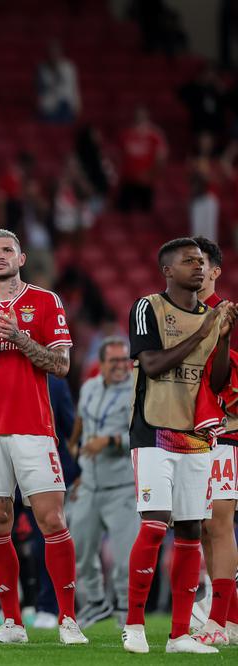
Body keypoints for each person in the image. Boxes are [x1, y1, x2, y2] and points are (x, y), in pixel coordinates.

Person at [0, 229, 86, 645]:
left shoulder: (45, 301)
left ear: (22, 257)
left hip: (34, 428)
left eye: (8, 249)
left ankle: (66, 619)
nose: (1, 256)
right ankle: (11, 623)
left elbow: (61, 364)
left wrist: (22, 339)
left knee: (50, 519)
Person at [122, 237, 236, 655]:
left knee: (190, 530)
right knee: (155, 524)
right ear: (168, 270)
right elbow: (150, 364)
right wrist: (206, 330)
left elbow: (219, 382)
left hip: (196, 435)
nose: (199, 268)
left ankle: (179, 635)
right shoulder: (147, 307)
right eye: (190, 261)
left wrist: (222, 337)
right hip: (153, 431)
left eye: (203, 262)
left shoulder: (212, 316)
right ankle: (134, 624)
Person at [67, 337, 138, 628]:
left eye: (125, 360)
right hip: (91, 483)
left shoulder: (138, 390)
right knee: (80, 550)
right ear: (102, 363)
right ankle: (96, 603)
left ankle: (126, 614)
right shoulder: (89, 387)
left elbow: (147, 436)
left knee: (124, 559)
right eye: (115, 361)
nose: (122, 366)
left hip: (122, 486)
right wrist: (74, 445)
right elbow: (81, 421)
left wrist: (109, 440)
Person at [189, 236, 238, 646]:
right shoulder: (179, 315)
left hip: (225, 431)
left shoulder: (226, 315)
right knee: (203, 529)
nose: (195, 268)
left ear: (216, 270)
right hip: (189, 433)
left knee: (217, 523)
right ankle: (232, 618)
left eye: (201, 261)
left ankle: (218, 623)